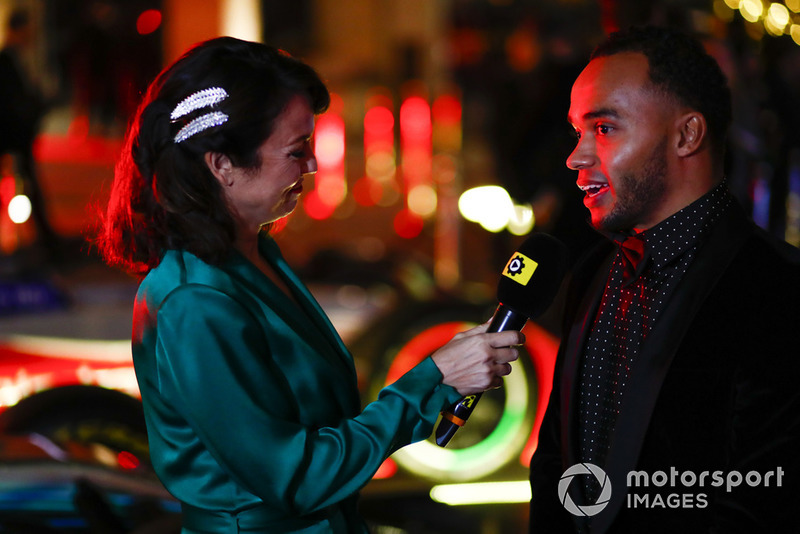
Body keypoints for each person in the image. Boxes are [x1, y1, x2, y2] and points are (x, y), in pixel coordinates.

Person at [98, 37, 523, 534]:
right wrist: (431, 381)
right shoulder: (194, 300)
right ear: (222, 164)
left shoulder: (255, 255)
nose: (314, 166)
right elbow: (295, 476)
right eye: (296, 151)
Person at [528, 26, 800, 533]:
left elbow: (768, 498)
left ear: (687, 134)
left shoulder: (777, 288)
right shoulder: (592, 272)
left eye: (604, 128)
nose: (577, 157)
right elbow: (556, 466)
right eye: (576, 131)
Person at [0, 8, 58, 256]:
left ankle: (45, 242)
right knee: (28, 187)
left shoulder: (15, 59)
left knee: (30, 187)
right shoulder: (6, 61)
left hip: (14, 137)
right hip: (10, 137)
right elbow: (11, 103)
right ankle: (46, 244)